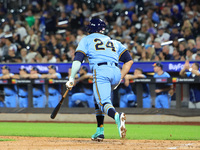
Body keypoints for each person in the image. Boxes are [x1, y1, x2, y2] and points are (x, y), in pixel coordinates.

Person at [65, 18, 133, 140]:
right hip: (116, 72)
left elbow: (77, 60)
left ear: (90, 28)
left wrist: (71, 78)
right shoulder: (114, 41)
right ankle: (99, 131)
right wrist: (120, 78)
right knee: (97, 100)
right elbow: (129, 60)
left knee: (103, 103)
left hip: (101, 71)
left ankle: (117, 117)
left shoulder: (86, 39)